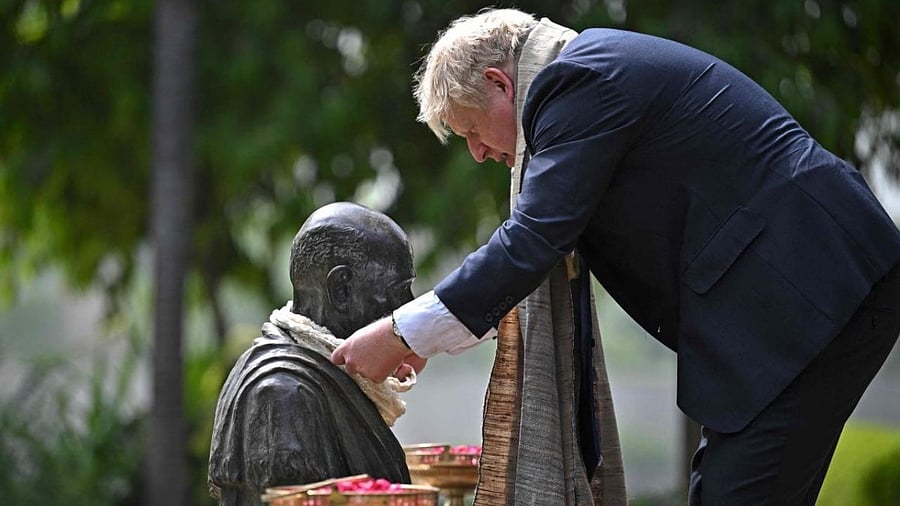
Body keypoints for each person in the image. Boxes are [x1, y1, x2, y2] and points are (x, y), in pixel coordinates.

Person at [332, 8, 900, 505]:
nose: (479, 154)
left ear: (499, 83)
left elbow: (531, 241)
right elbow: (528, 262)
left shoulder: (579, 81)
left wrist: (400, 335)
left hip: (815, 286)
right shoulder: (588, 77)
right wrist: (432, 337)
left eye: (472, 131)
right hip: (804, 296)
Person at [208, 201, 424, 505]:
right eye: (397, 290)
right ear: (341, 289)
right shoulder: (283, 393)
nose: (409, 305)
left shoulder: (318, 375)